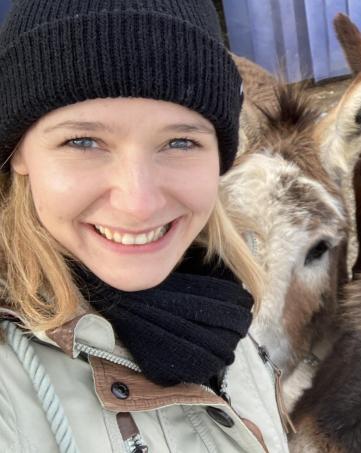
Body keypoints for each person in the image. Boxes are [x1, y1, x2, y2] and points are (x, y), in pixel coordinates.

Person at [0, 1, 291, 452]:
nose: (138, 204)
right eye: (82, 141)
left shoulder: (223, 299)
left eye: (180, 141)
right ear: (18, 151)